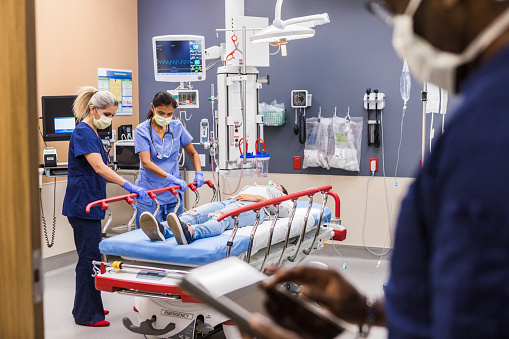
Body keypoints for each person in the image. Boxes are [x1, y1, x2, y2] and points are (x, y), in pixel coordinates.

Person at [246, 0, 509, 338]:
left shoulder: (489, 133)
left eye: (395, 9)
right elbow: (452, 307)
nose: (399, 28)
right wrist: (366, 311)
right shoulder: (481, 113)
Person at [62, 86, 148, 327]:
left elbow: (98, 170)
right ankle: (87, 315)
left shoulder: (91, 132)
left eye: (113, 115)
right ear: (93, 110)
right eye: (108, 115)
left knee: (90, 256)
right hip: (83, 205)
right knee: (89, 259)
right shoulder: (83, 132)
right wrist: (128, 186)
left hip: (90, 202)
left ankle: (84, 306)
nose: (110, 120)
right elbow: (99, 168)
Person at [139, 182, 290, 244]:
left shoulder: (280, 195)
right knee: (194, 213)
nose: (272, 184)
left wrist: (259, 198)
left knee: (221, 217)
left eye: (277, 185)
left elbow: (287, 211)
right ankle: (163, 229)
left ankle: (190, 234)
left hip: (255, 207)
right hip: (230, 200)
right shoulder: (252, 186)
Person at [134, 91, 203, 227]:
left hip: (173, 193)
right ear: (152, 108)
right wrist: (172, 179)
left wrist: (199, 173)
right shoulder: (141, 130)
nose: (165, 117)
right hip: (150, 193)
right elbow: (146, 163)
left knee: (175, 235)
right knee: (150, 238)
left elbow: (193, 153)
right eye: (161, 113)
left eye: (169, 114)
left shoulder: (177, 127)